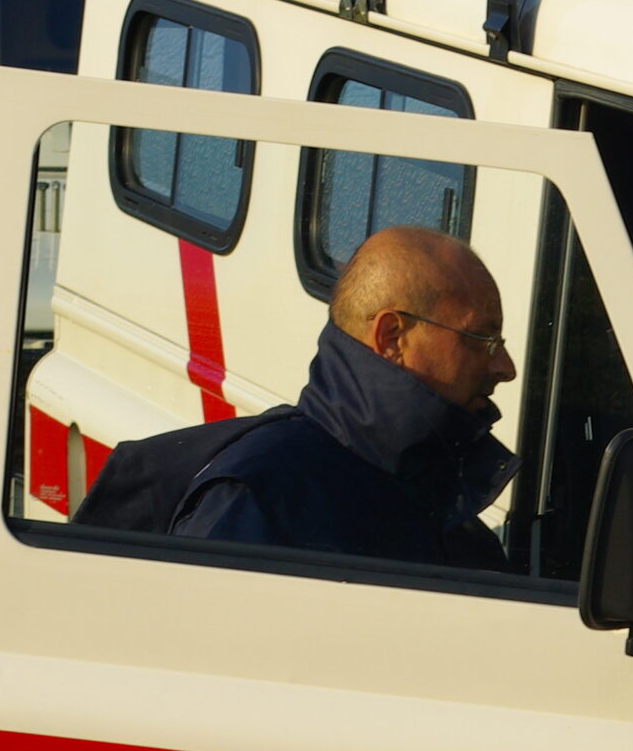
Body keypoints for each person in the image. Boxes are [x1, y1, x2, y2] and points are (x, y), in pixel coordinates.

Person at [169, 225, 520, 567]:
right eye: (481, 340)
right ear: (393, 338)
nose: (506, 368)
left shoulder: (450, 516)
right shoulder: (263, 498)